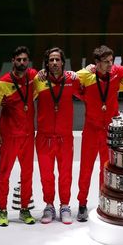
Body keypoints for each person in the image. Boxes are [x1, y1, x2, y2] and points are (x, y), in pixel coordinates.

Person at [76, 45, 123, 222]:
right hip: (91, 131)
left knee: (106, 169)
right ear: (96, 63)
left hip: (110, 132)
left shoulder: (116, 72)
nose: (110, 65)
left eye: (111, 61)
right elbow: (70, 80)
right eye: (106, 62)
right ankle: (82, 204)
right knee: (86, 169)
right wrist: (85, 92)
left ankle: (104, 201)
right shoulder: (87, 76)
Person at [0, 46, 37, 227]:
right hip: (9, 137)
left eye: (25, 60)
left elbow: (53, 74)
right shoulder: (2, 83)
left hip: (27, 136)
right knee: (4, 173)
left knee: (28, 174)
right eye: (19, 60)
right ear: (13, 61)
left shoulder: (33, 77)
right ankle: (2, 209)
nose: (22, 63)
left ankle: (24, 209)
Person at [33, 47, 82, 224]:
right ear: (46, 63)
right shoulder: (38, 81)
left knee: (65, 173)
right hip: (44, 138)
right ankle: (49, 205)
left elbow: (88, 88)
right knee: (46, 174)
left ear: (63, 62)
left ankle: (65, 205)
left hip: (64, 137)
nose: (54, 63)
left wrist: (86, 69)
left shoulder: (71, 80)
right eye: (51, 60)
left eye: (57, 59)